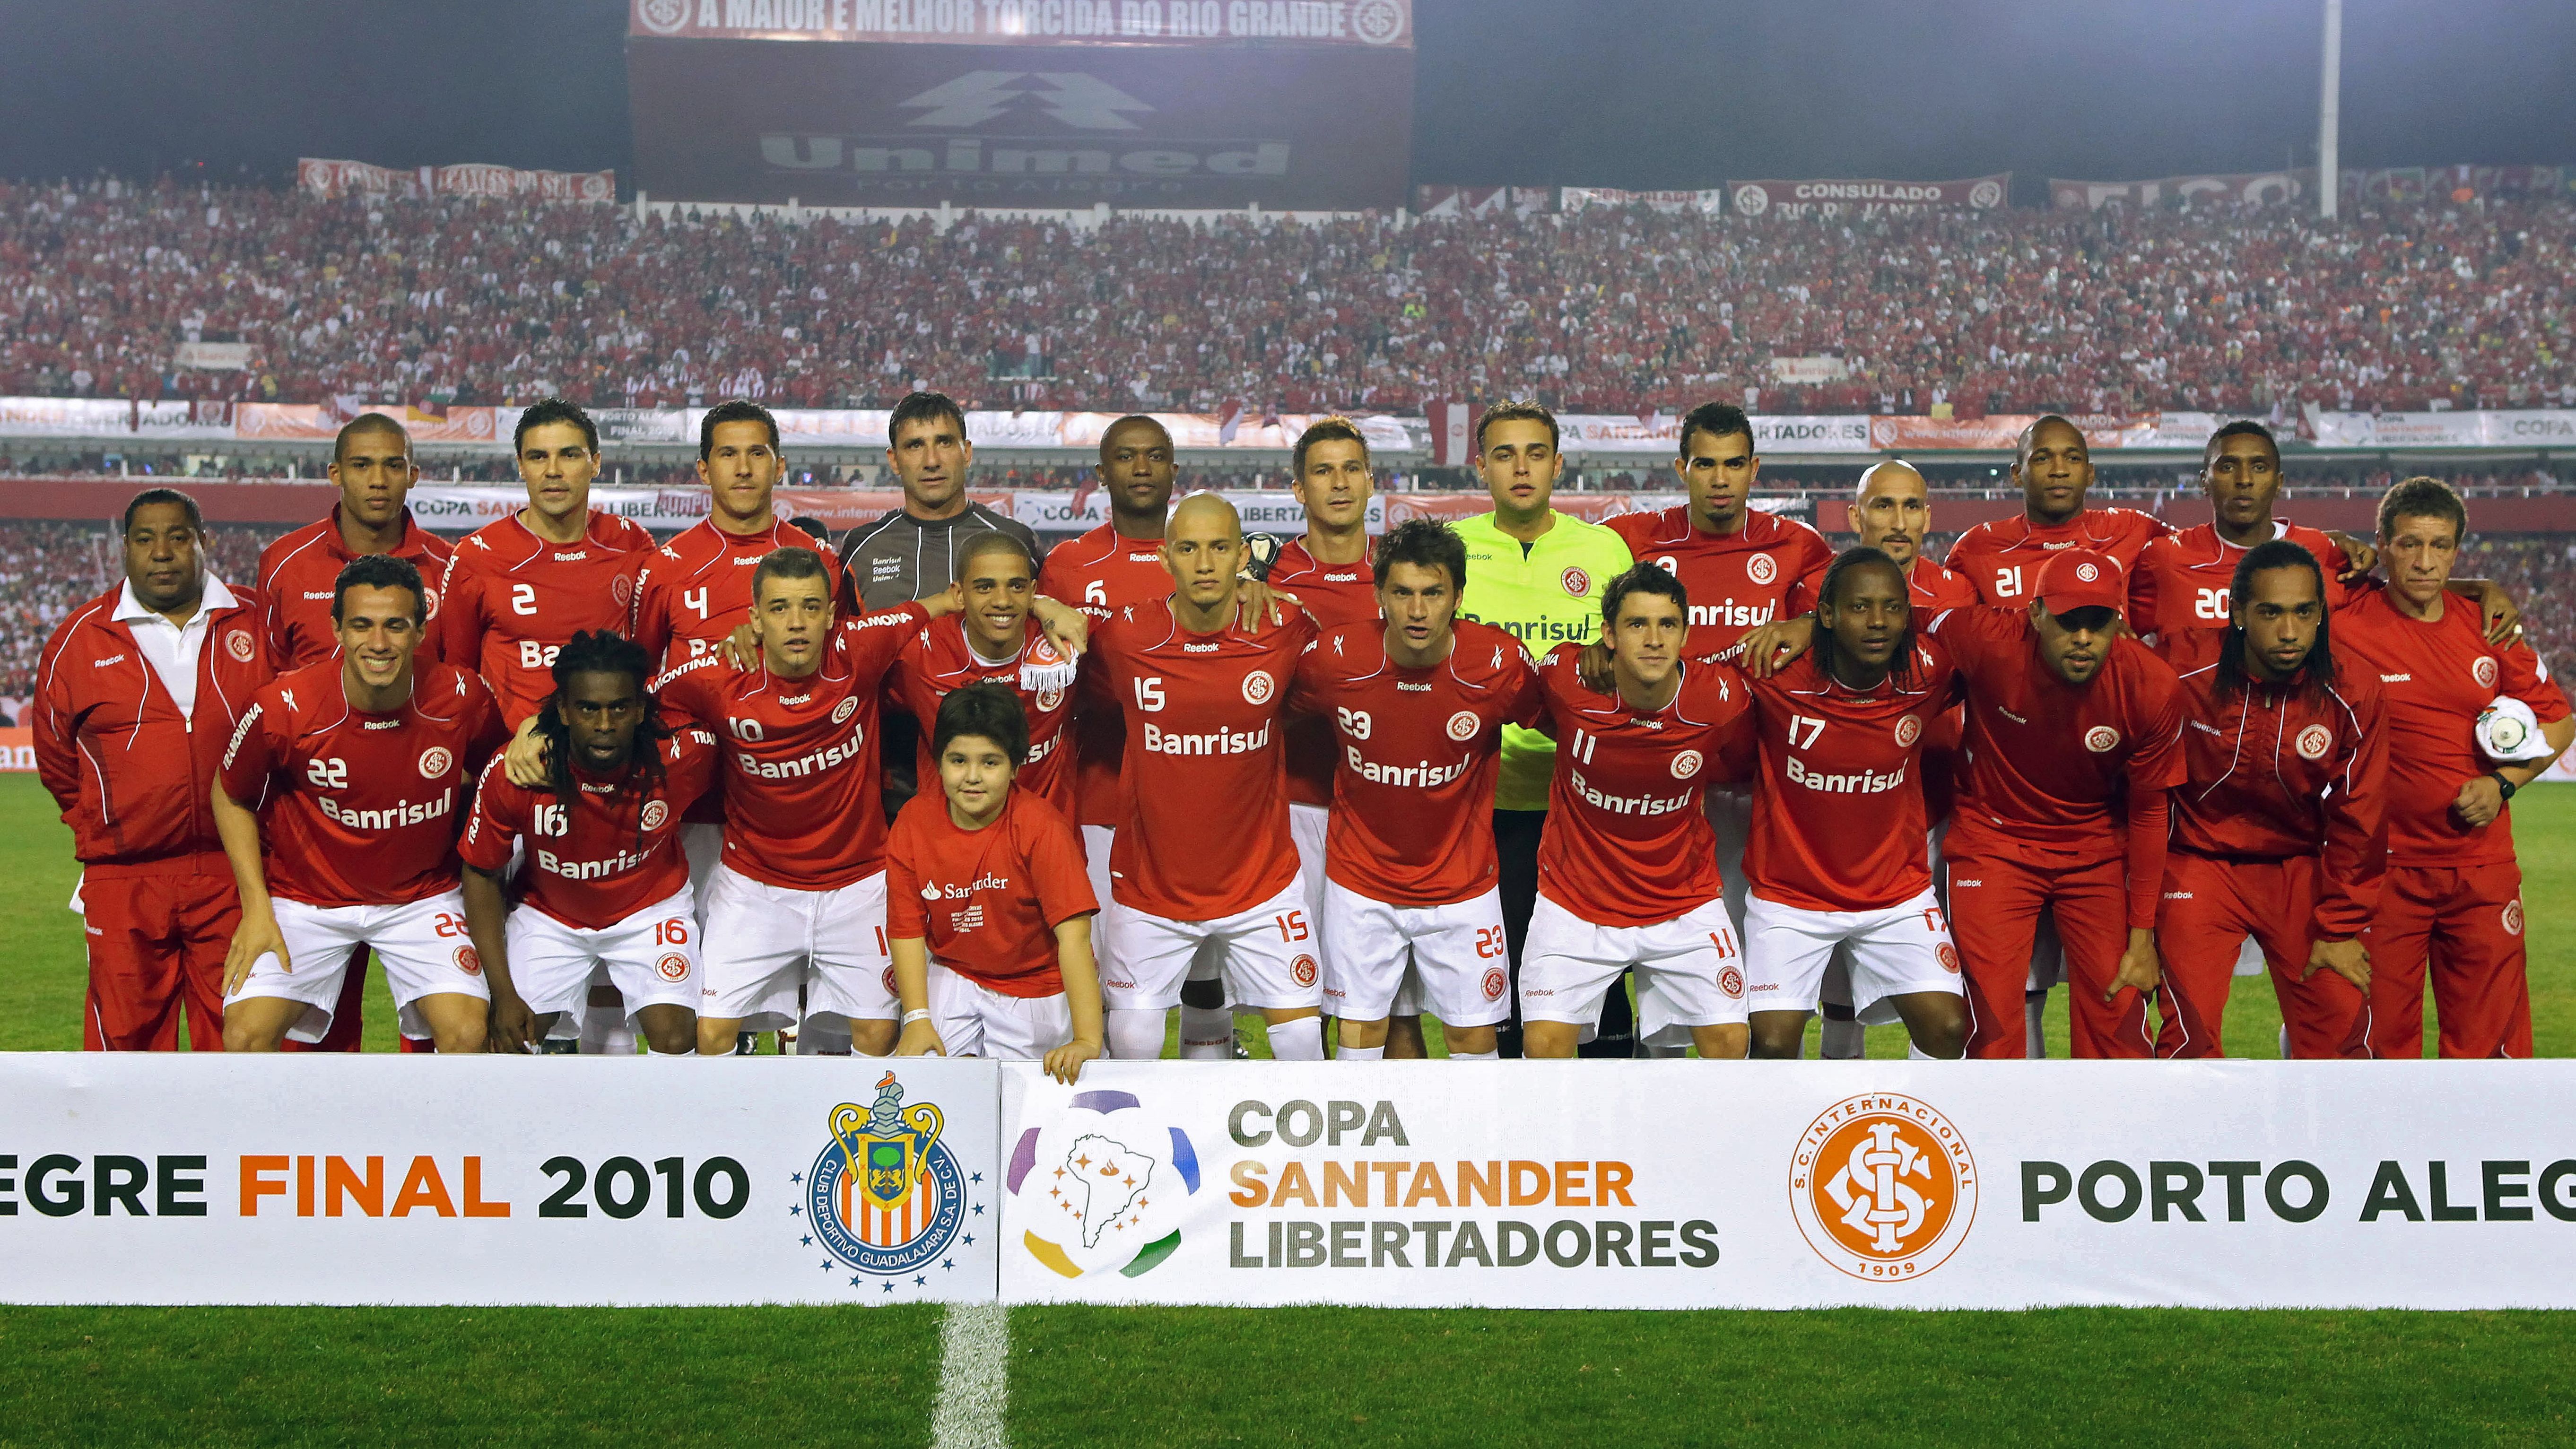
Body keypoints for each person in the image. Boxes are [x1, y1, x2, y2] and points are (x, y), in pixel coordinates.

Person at [213, 555, 507, 1052]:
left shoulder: (462, 697)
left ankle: (435, 1131)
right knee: (245, 1035)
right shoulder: (284, 707)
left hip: (421, 898)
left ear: (419, 632)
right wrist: (257, 907)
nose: (378, 642)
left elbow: (497, 773)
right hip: (308, 900)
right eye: (362, 625)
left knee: (467, 1032)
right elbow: (230, 793)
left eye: (396, 625)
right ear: (336, 629)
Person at [2336, 477, 2572, 1058]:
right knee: (2379, 1046)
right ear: (2382, 545)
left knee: (2490, 1048)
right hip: (2383, 871)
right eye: (2409, 544)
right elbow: (2274, 563)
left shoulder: (2490, 628)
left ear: (2457, 551)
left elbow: (2561, 722)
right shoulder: (2343, 619)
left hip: (2481, 869)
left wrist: (2502, 783)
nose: (2425, 560)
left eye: (2440, 546)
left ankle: (2484, 1149)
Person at [1084, 494, 1323, 1061]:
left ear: (1243, 555)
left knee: (1302, 1044)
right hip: (1151, 887)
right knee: (1134, 1047)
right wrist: (1049, 607)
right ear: (1166, 558)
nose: (1206, 563)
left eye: (1220, 548)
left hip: (1262, 883)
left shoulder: (1283, 626)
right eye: (1189, 549)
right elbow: (1069, 665)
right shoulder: (1125, 638)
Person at [1919, 552, 2184, 1057]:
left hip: (2095, 846)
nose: (2083, 638)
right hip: (1993, 841)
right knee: (1990, 1026)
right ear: (2035, 613)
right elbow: (1907, 613)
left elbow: (2151, 811)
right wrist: (1805, 625)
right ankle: (2000, 1136)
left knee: (2119, 1020)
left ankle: (2114, 1136)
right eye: (2067, 622)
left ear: (2119, 622)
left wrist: (2143, 935)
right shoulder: (1986, 639)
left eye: (2098, 623)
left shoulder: (2152, 687)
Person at [1290, 519, 1538, 1061]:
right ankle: (1363, 1150)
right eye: (1402, 593)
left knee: (1475, 1045)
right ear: (1380, 594)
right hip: (1361, 882)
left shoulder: (1497, 664)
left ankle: (1474, 1145)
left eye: (1433, 593)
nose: (1418, 611)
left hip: (1463, 885)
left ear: (1459, 597)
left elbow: (1563, 716)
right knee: (1357, 1043)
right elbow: (1273, 707)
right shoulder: (1335, 658)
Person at [36, 488, 269, 1050]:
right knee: (124, 1048)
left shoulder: (260, 622)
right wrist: (107, 826)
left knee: (241, 1044)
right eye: (145, 539)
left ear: (203, 542)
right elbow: (56, 761)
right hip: (124, 879)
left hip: (235, 874)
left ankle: (232, 1142)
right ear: (124, 549)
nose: (162, 552)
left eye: (178, 536)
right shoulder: (77, 640)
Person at [256, 412, 454, 1052]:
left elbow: (459, 692)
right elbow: (266, 698)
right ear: (335, 473)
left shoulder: (452, 569)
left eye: (393, 465)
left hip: (418, 848)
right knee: (313, 1036)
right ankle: (312, 1151)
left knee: (435, 1032)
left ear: (414, 475)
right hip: (313, 846)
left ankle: (432, 1150)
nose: (378, 480)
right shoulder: (284, 564)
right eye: (363, 466)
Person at [1449, 401, 1634, 1057]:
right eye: (1504, 454)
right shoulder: (1457, 549)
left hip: (1580, 801)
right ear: (1482, 466)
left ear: (1558, 465)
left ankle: (1610, 1107)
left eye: (1534, 453)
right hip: (1484, 801)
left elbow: (1634, 655)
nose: (1520, 467)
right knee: (1503, 969)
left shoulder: (1602, 548)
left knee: (1594, 961)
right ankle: (1512, 1134)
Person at [2157, 541, 2385, 1059]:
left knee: (2340, 1027)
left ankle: (2320, 1142)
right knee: (2188, 1038)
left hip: (2296, 868)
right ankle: (2193, 1142)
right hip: (2197, 863)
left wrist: (2341, 927)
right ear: (2237, 612)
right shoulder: (2178, 666)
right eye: (2270, 613)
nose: (2289, 632)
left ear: (2321, 612)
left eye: (2305, 612)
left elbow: (2361, 816)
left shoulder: (2354, 688)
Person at [1741, 548, 1970, 1060]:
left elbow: (1992, 634)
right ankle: (1790, 1139)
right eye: (1860, 607)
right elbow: (1683, 674)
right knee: (1771, 1044)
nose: (1878, 622)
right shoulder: (1774, 669)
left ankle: (1913, 1128)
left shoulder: (1929, 669)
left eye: (1892, 608)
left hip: (1895, 894)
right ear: (1827, 614)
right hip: (1790, 896)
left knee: (1950, 1028)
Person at [1516, 562, 1750, 1058]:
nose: (1654, 638)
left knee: (1732, 1045)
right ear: (1608, 634)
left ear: (1685, 633)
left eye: (1667, 624)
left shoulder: (1719, 699)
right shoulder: (1566, 679)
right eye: (1636, 624)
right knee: (1541, 1050)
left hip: (1682, 902)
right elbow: (1537, 711)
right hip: (1575, 901)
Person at [458, 631, 717, 1057]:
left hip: (649, 909)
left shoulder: (683, 755)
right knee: (511, 1040)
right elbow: (481, 872)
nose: (603, 724)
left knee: (678, 1038)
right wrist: (501, 993)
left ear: (639, 710)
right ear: (562, 710)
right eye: (588, 708)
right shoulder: (519, 771)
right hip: (549, 915)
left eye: (619, 708)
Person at [2132, 420, 2523, 672]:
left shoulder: (2322, 552)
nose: (2245, 480)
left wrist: (2477, 589)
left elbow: (2395, 594)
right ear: (2205, 480)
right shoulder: (2164, 559)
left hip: (2291, 755)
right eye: (2228, 466)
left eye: (2260, 467)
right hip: (2190, 764)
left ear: (2279, 481)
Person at [1264, 417, 1412, 1053]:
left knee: (1395, 1003)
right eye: (1323, 471)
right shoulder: (1267, 576)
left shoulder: (1405, 576)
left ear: (1373, 482)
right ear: (1299, 489)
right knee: (1306, 993)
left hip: (1389, 808)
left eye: (1352, 468)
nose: (1340, 483)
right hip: (1298, 804)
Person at [888, 684, 1104, 1084]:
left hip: (1034, 983)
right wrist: (917, 1018)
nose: (972, 777)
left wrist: (1088, 1039)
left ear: (1016, 767)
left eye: (990, 762)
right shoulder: (913, 822)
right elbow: (906, 928)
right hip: (955, 973)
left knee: (1020, 1096)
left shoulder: (1043, 828)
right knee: (927, 1082)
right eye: (958, 760)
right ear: (938, 763)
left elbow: (1074, 938)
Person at [441, 399, 659, 729]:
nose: (553, 470)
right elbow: (458, 676)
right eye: (538, 456)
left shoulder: (631, 545)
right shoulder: (476, 556)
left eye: (569, 455)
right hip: (511, 756)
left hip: (608, 751)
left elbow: (649, 661)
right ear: (521, 465)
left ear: (595, 462)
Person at [886, 532, 1080, 817]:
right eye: (985, 587)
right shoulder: (920, 654)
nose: (1003, 601)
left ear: (1033, 591)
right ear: (960, 594)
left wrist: (1047, 607)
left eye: (1016, 586)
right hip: (950, 838)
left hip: (1045, 836)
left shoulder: (1067, 643)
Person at [837, 390, 1043, 613]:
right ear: (894, 460)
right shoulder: (861, 548)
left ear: (967, 453)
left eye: (944, 442)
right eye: (915, 446)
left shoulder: (1017, 541)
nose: (932, 461)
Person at [1944, 416, 2176, 608]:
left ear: (2090, 474)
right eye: (2043, 459)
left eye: (2073, 459)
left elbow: (2206, 553)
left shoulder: (2134, 530)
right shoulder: (1976, 549)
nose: (2059, 470)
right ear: (2017, 475)